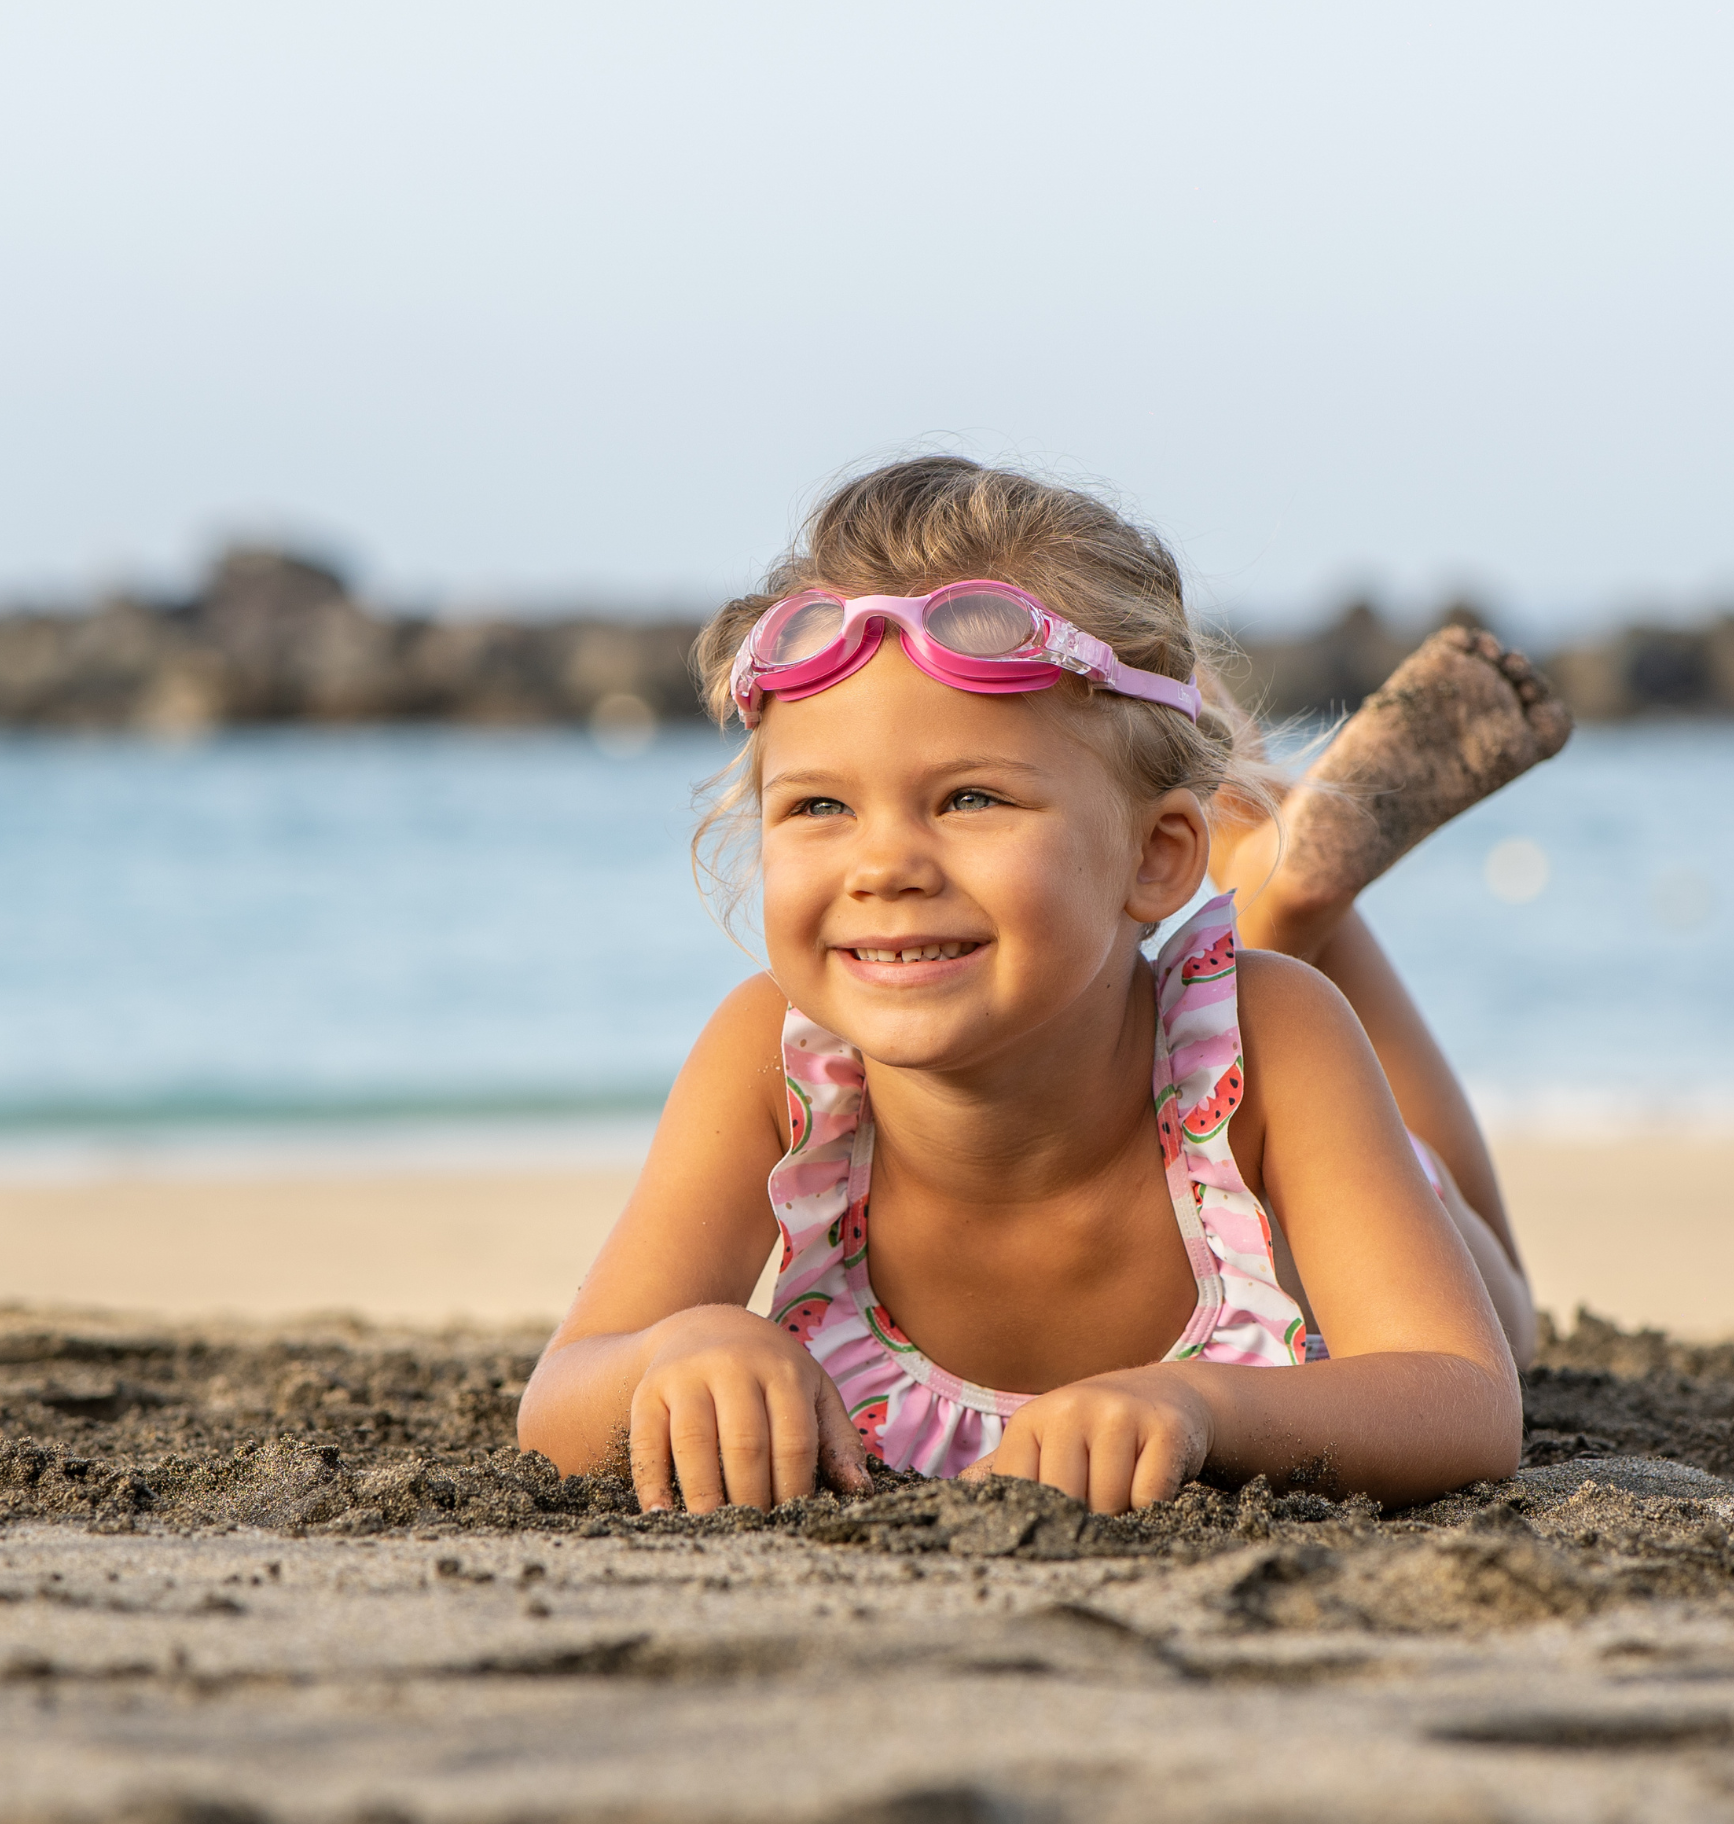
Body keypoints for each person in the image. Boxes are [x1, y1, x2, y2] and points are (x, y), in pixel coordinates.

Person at [516, 458, 1570, 1516]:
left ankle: (1288, 906)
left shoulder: (1267, 1038)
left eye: (969, 797)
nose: (883, 865)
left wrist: (1204, 1408)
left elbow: (1468, 1396)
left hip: (1283, 1195)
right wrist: (681, 1347)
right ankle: (1260, 873)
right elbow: (558, 1402)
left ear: (1153, 857)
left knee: (1504, 1309)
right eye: (818, 807)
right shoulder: (776, 1066)